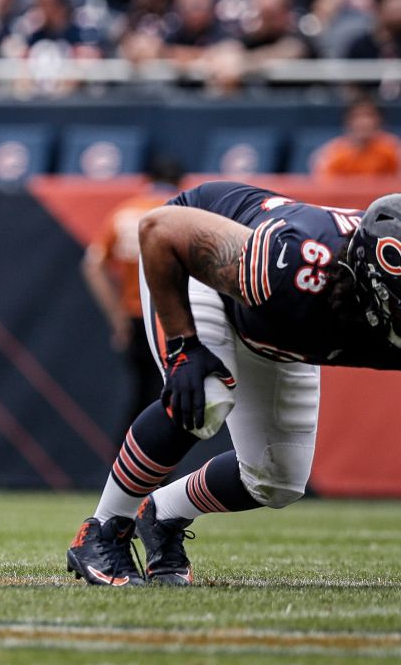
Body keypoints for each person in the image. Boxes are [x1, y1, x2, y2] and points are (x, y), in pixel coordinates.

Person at [67, 180, 401, 586]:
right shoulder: (291, 264)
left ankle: (162, 515)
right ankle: (102, 531)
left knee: (277, 479)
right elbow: (160, 229)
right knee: (202, 397)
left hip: (279, 324)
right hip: (201, 266)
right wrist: (183, 345)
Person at [82, 161, 182, 430]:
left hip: (135, 316)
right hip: (171, 321)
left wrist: (117, 317)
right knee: (166, 396)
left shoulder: (125, 214)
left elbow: (93, 265)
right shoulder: (182, 213)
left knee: (143, 393)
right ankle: (147, 464)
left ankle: (128, 462)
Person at [314, 98, 401, 178]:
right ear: (347, 121)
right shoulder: (332, 154)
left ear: (380, 120)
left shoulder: (394, 149)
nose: (364, 121)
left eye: (369, 115)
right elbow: (324, 186)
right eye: (357, 116)